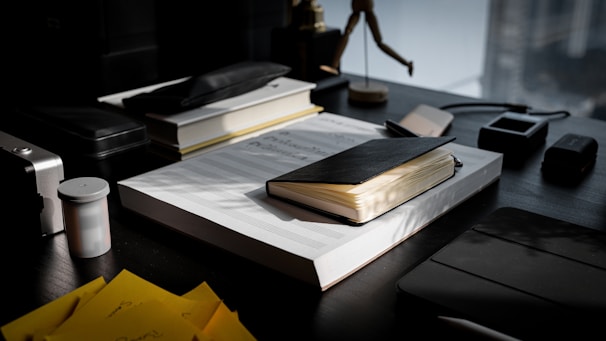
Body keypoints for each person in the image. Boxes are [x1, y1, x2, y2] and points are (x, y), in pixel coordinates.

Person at [321, 0, 414, 77]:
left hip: (366, 9)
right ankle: (334, 65)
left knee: (379, 42)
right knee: (348, 32)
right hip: (358, 9)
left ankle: (407, 64)